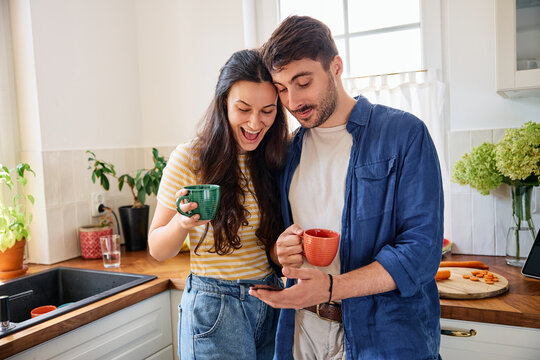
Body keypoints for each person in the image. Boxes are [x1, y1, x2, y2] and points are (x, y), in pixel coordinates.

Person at [249, 16, 444, 360]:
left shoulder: (403, 134)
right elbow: (280, 236)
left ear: (336, 67)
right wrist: (283, 249)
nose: (292, 101)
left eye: (303, 82)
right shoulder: (288, 151)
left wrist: (332, 288)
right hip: (302, 332)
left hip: (385, 336)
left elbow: (421, 252)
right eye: (281, 89)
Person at [148, 49, 289, 360]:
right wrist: (182, 223)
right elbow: (157, 248)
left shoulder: (274, 158)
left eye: (267, 111)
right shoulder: (190, 158)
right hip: (214, 308)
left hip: (270, 300)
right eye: (243, 108)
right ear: (224, 101)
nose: (255, 123)